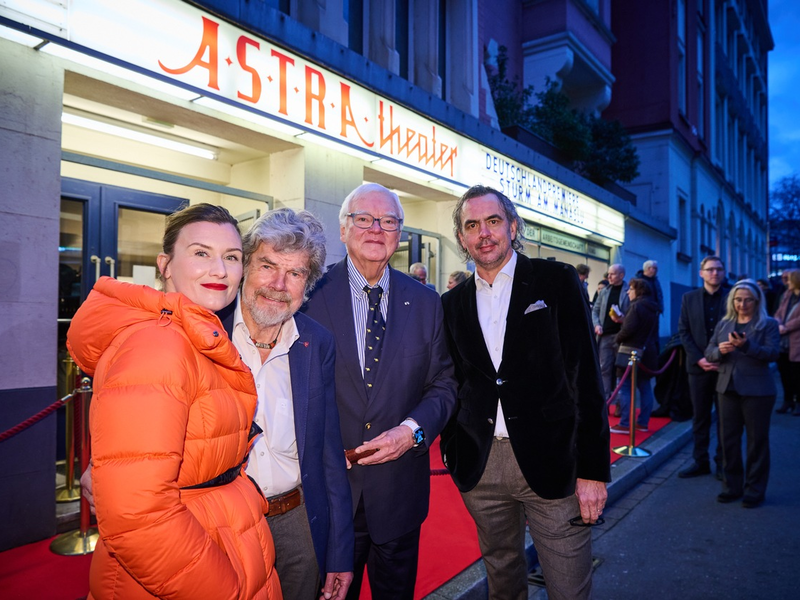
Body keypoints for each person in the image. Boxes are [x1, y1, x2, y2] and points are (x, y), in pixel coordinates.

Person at [67, 204, 281, 599]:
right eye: (201, 253)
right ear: (165, 264)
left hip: (218, 535)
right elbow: (139, 517)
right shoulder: (159, 344)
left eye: (231, 257)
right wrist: (221, 590)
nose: (219, 270)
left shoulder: (194, 334)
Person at [440, 185, 610, 600]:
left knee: (569, 585)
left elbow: (584, 375)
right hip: (481, 465)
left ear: (513, 227)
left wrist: (593, 470)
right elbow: (452, 380)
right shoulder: (450, 303)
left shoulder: (556, 281)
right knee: (502, 580)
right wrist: (452, 449)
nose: (484, 233)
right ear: (461, 238)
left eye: (493, 221)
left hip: (553, 459)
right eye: (472, 225)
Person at [300, 183, 457, 600]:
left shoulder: (426, 302)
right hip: (330, 497)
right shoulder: (307, 298)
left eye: (388, 221)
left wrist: (411, 432)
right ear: (343, 228)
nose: (376, 228)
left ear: (400, 233)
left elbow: (443, 385)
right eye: (364, 218)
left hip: (399, 495)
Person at [225, 208, 354, 600]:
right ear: (246, 265)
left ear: (307, 284)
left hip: (297, 521)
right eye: (267, 265)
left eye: (295, 273)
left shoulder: (317, 343)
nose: (278, 284)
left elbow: (329, 453)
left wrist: (340, 553)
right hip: (224, 525)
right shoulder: (206, 329)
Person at [705, 279, 780, 508]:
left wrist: (746, 346)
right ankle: (731, 486)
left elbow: (773, 354)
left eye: (748, 300)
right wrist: (720, 350)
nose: (742, 304)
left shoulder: (767, 324)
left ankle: (754, 490)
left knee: (757, 442)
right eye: (738, 299)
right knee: (728, 441)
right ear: (732, 300)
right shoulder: (724, 323)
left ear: (757, 300)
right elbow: (709, 352)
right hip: (727, 388)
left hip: (758, 391)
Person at [677, 255, 728, 478]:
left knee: (726, 420)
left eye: (718, 269)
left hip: (725, 368)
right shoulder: (689, 298)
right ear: (701, 273)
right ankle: (701, 461)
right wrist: (699, 359)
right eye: (710, 269)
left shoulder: (732, 298)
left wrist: (719, 359)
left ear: (723, 272)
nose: (714, 273)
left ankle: (723, 463)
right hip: (698, 368)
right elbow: (684, 331)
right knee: (700, 418)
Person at [609, 278, 659, 435]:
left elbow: (629, 329)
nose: (628, 292)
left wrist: (616, 338)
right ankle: (642, 422)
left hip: (630, 352)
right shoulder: (652, 306)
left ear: (638, 290)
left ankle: (624, 424)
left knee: (624, 387)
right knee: (645, 387)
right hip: (648, 352)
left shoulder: (636, 306)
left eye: (630, 289)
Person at [592, 264, 630, 399]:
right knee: (604, 369)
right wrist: (597, 325)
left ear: (621, 275)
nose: (609, 276)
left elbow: (633, 315)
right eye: (608, 274)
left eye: (612, 274)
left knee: (621, 370)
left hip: (621, 337)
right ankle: (605, 400)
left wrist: (623, 320)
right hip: (605, 336)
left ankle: (620, 402)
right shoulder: (604, 291)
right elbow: (595, 311)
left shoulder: (628, 291)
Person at [773, 268, 800, 416]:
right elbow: (778, 312)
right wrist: (778, 324)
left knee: (797, 375)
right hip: (783, 343)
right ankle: (787, 400)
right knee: (784, 374)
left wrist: (786, 327)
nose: (786, 282)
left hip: (796, 341)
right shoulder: (786, 295)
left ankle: (798, 402)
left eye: (789, 279)